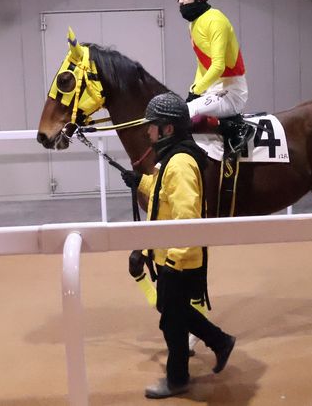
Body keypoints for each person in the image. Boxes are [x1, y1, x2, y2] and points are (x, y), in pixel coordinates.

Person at [121, 92, 236, 399]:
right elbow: (164, 194)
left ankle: (178, 379)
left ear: (168, 129)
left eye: (153, 125)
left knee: (172, 321)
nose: (148, 131)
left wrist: (172, 262)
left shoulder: (180, 164)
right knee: (174, 313)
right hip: (173, 257)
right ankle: (220, 342)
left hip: (179, 260)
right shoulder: (173, 159)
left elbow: (187, 218)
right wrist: (140, 182)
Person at [168, 0, 254, 154]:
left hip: (232, 92)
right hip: (214, 90)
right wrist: (194, 89)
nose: (180, 1)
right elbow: (202, 65)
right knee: (186, 110)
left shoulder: (216, 20)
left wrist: (196, 91)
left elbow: (218, 66)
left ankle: (238, 128)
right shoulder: (193, 24)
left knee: (185, 113)